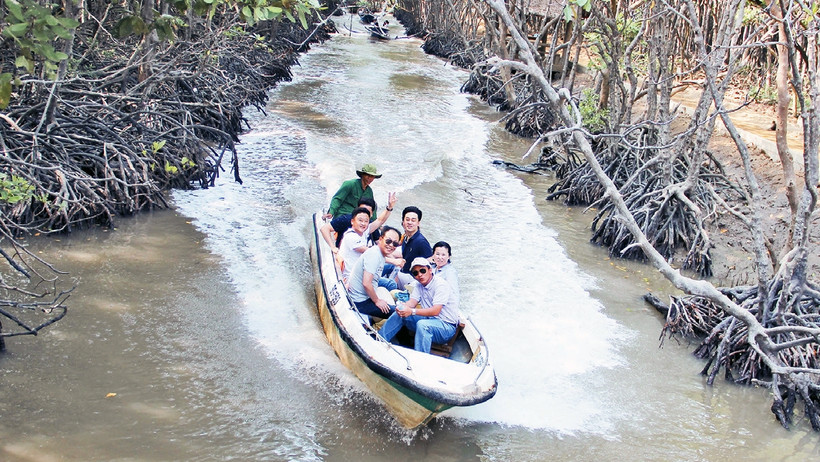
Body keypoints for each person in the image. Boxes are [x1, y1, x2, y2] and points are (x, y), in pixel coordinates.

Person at [378, 257, 460, 354]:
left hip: (446, 327)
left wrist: (411, 311)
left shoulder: (440, 285)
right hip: (429, 319)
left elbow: (436, 311)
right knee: (400, 314)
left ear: (430, 270)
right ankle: (379, 340)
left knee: (423, 325)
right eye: (415, 273)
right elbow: (412, 303)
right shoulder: (418, 285)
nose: (420, 275)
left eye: (422, 270)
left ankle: (420, 357)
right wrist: (403, 307)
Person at [339, 190, 397, 279]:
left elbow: (380, 220)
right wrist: (394, 261)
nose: (363, 223)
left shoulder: (364, 231)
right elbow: (373, 253)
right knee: (391, 284)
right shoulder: (351, 236)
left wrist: (389, 207)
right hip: (353, 277)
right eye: (360, 220)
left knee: (391, 267)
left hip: (364, 271)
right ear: (352, 221)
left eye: (366, 221)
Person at [348, 226, 402, 320]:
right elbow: (366, 283)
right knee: (399, 313)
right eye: (388, 241)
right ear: (380, 239)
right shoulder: (374, 255)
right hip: (360, 302)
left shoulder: (378, 253)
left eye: (395, 243)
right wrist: (377, 301)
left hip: (363, 296)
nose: (391, 245)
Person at [323, 163, 383, 239]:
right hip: (343, 215)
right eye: (368, 176)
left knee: (371, 230)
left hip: (359, 217)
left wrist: (377, 225)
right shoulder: (350, 184)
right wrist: (331, 212)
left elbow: (372, 210)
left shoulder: (369, 191)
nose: (370, 179)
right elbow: (337, 199)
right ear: (362, 175)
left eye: (372, 176)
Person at [393, 206, 432, 287]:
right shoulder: (405, 237)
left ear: (418, 223)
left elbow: (430, 264)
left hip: (414, 280)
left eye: (413, 220)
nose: (410, 222)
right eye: (407, 219)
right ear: (403, 222)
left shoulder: (421, 242)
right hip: (403, 274)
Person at [431, 241, 459, 307]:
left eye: (443, 255)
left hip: (443, 308)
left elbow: (454, 294)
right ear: (433, 255)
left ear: (449, 256)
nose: (440, 257)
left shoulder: (450, 272)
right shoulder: (432, 269)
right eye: (437, 254)